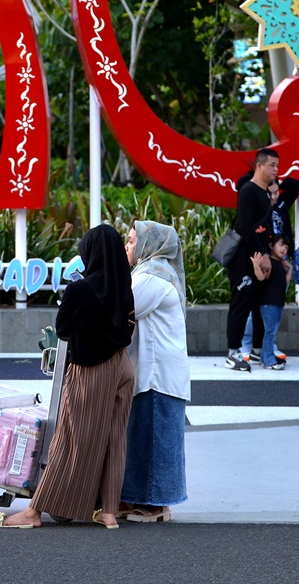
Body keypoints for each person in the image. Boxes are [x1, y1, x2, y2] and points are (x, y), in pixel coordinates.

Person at [0, 225, 135, 529]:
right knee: (115, 440)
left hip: (91, 370)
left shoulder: (80, 289)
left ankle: (35, 511)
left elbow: (64, 330)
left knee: (69, 439)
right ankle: (108, 511)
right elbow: (128, 328)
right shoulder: (124, 286)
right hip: (122, 366)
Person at [120, 221, 189, 522]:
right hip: (156, 371)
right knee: (145, 436)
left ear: (150, 245)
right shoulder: (152, 272)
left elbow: (124, 308)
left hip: (157, 374)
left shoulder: (152, 277)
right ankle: (139, 498)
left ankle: (154, 505)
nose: (128, 245)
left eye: (133, 240)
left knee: (154, 437)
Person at [224, 148, 278, 372]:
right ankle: (233, 352)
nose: (275, 169)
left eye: (277, 165)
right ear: (259, 166)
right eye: (272, 165)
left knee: (257, 302)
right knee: (241, 302)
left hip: (258, 255)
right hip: (243, 258)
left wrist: (270, 253)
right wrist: (263, 255)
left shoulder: (265, 193)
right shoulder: (248, 190)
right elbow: (245, 227)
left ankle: (257, 349)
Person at [243, 234, 290, 370]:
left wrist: (290, 269)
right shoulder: (268, 263)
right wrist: (256, 265)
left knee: (271, 331)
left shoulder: (280, 264)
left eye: (286, 247)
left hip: (278, 303)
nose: (283, 249)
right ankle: (269, 360)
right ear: (271, 246)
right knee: (269, 332)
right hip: (268, 303)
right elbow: (261, 277)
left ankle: (267, 357)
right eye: (281, 245)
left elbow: (284, 283)